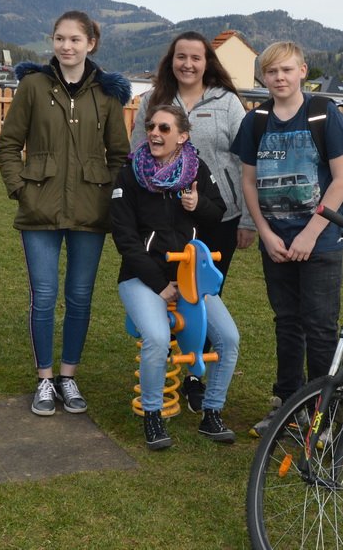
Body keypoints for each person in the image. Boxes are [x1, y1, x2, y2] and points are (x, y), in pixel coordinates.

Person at [0, 10, 131, 417]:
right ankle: (44, 378)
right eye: (59, 38)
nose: (66, 46)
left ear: (91, 43)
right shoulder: (33, 86)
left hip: (90, 211)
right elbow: (7, 145)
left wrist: (107, 195)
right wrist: (21, 190)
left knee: (79, 296)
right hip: (39, 209)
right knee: (43, 297)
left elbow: (119, 155)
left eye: (74, 39)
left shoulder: (107, 94)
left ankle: (68, 376)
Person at [229, 41, 343, 437]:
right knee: (287, 324)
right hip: (278, 243)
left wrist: (311, 233)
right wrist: (266, 234)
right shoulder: (256, 121)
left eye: (286, 70)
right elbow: (248, 182)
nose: (279, 78)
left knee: (319, 327)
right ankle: (286, 405)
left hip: (320, 242)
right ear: (262, 77)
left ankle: (323, 415)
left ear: (303, 71)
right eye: (271, 72)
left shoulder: (323, 114)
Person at [129, 31, 254, 412]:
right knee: (166, 293)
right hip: (166, 221)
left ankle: (195, 377)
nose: (187, 64)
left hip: (219, 217)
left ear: (207, 62)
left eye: (195, 58)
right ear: (171, 61)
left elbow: (247, 161)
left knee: (204, 298)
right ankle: (162, 366)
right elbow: (137, 155)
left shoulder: (227, 102)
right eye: (180, 57)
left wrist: (248, 219)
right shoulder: (154, 100)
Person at [111, 104, 241, 450]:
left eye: (164, 128)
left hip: (188, 277)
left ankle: (212, 412)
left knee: (229, 338)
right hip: (142, 277)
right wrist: (159, 284)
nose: (154, 133)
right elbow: (124, 238)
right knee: (156, 338)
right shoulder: (130, 174)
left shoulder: (197, 169)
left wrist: (199, 204)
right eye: (152, 127)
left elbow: (218, 213)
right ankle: (153, 415)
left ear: (182, 136)